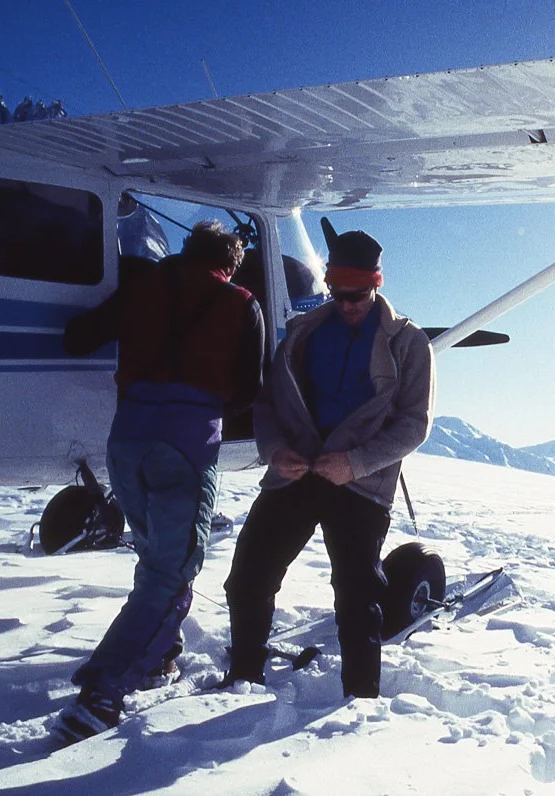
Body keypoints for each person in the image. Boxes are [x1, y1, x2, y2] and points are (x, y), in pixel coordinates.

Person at [55, 220, 266, 743]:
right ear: (231, 262)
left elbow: (78, 338)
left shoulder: (142, 286)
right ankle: (102, 693)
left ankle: (157, 657)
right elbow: (249, 390)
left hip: (126, 442)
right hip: (186, 448)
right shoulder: (242, 304)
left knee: (154, 560)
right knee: (171, 573)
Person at [222, 219, 434, 697]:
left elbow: (413, 425)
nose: (345, 304)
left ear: (376, 285)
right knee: (248, 578)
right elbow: (268, 404)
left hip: (359, 485)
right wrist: (275, 451)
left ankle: (359, 701)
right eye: (336, 292)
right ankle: (243, 679)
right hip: (297, 472)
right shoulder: (303, 332)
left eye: (356, 296)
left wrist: (355, 463)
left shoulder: (408, 343)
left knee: (358, 596)